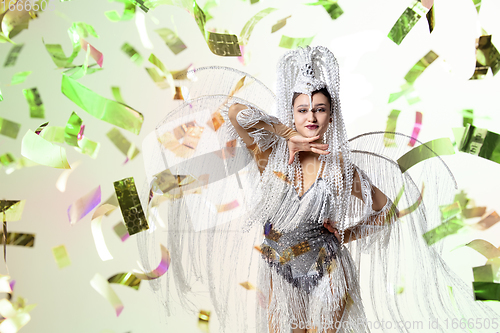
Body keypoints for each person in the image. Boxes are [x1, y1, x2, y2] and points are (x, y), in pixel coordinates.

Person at [138, 46, 498, 332]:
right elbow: (234, 112)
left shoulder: (341, 168)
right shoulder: (270, 156)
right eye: (303, 110)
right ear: (291, 114)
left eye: (320, 109)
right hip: (278, 265)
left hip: (327, 266)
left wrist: (348, 232)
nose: (311, 117)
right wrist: (286, 136)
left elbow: (386, 209)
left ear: (330, 115)